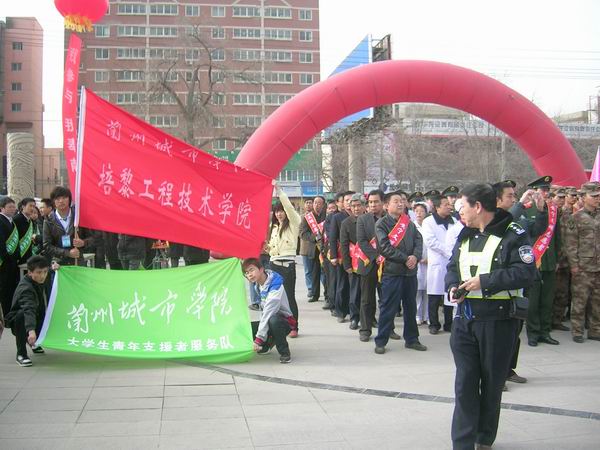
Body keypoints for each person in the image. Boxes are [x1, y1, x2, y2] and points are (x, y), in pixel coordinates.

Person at [445, 183, 536, 450]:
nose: (460, 211)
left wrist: (485, 281)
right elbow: (453, 266)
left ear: (478, 206)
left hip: (498, 322)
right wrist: (453, 285)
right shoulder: (465, 234)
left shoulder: (514, 233)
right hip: (464, 321)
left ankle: (484, 437)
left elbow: (526, 273)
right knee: (464, 384)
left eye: (463, 206)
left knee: (492, 384)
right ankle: (462, 443)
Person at [374, 191, 426, 354]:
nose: (400, 204)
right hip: (393, 272)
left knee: (410, 307)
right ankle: (381, 340)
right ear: (386, 205)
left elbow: (419, 240)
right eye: (396, 201)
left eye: (402, 201)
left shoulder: (408, 223)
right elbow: (384, 247)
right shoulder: (382, 224)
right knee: (388, 307)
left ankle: (412, 339)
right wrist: (405, 259)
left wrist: (415, 256)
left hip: (410, 273)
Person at [492, 180, 528, 387]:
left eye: (515, 196)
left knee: (514, 333)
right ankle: (497, 375)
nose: (514, 199)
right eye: (510, 196)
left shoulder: (516, 222)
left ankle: (508, 369)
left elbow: (534, 230)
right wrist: (520, 205)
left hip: (515, 288)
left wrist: (542, 213)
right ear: (497, 200)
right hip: (496, 292)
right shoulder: (490, 224)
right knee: (498, 339)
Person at [520, 176, 560, 347]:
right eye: (542, 190)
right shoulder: (526, 210)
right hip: (533, 261)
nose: (545, 193)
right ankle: (533, 333)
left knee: (547, 299)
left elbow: (557, 237)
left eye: (547, 190)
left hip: (549, 261)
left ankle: (545, 331)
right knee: (533, 301)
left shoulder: (553, 210)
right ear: (534, 191)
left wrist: (557, 258)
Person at [563, 182, 600, 343]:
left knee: (597, 301)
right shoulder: (575, 218)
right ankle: (577, 330)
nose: (597, 199)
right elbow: (570, 244)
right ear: (583, 197)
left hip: (598, 266)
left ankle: (595, 330)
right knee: (580, 300)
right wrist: (574, 265)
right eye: (594, 196)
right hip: (583, 266)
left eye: (598, 196)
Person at [243, 258, 295, 363]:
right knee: (247, 329)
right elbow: (264, 310)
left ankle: (284, 352)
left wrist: (259, 339)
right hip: (270, 318)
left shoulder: (276, 286)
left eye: (252, 270)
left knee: (273, 320)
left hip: (285, 322)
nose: (250, 275)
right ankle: (267, 344)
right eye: (247, 273)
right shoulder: (258, 285)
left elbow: (268, 313)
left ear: (261, 269)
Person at [4, 255, 50, 367]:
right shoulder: (26, 288)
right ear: (29, 272)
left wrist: (55, 266)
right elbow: (28, 309)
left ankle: (33, 342)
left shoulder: (40, 278)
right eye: (39, 272)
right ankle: (21, 354)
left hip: (37, 314)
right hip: (20, 321)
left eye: (45, 272)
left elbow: (51, 270)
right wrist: (31, 330)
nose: (42, 275)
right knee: (22, 315)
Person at [268, 184, 301, 337]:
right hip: (273, 265)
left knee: (289, 297)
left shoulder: (293, 224)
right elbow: (272, 248)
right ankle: (278, 327)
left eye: (281, 211)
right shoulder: (273, 227)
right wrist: (267, 248)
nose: (279, 214)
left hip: (287, 266)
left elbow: (289, 208)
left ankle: (294, 327)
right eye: (277, 211)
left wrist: (279, 191)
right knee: (274, 298)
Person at [422, 194, 457, 335]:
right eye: (445, 204)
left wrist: (452, 253)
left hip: (451, 262)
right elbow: (430, 242)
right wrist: (448, 251)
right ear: (437, 207)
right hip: (437, 262)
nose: (449, 206)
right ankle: (434, 323)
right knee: (434, 296)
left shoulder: (454, 221)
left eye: (449, 204)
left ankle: (449, 323)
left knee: (450, 294)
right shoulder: (428, 222)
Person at [356, 190, 385, 341]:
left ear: (383, 203)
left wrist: (385, 257)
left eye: (376, 202)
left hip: (387, 264)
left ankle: (388, 329)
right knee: (366, 299)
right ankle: (365, 329)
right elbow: (362, 242)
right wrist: (376, 256)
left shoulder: (390, 219)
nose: (373, 205)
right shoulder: (363, 219)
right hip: (368, 264)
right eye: (370, 202)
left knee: (386, 299)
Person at [43, 186, 92, 266]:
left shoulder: (78, 217)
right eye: (58, 198)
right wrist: (67, 253)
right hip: (59, 264)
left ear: (69, 199)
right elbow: (47, 246)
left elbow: (93, 238)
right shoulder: (48, 221)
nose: (61, 201)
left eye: (64, 197)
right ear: (53, 201)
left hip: (78, 262)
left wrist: (83, 242)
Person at [340, 193, 366, 330]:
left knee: (368, 293)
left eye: (359, 205)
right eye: (353, 206)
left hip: (368, 262)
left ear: (364, 206)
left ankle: (369, 317)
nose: (356, 208)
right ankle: (354, 318)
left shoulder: (371, 220)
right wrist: (347, 265)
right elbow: (344, 245)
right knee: (355, 292)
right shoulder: (346, 223)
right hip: (354, 263)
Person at [329, 191, 355, 322]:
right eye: (347, 200)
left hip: (358, 256)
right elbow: (332, 238)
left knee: (355, 285)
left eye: (352, 200)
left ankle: (353, 310)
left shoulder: (362, 216)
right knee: (342, 284)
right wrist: (333, 255)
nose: (350, 203)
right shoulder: (337, 217)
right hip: (342, 255)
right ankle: (340, 311)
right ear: (343, 203)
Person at [299, 196, 326, 303]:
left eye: (319, 203)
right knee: (314, 273)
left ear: (323, 205)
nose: (316, 205)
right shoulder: (307, 218)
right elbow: (302, 233)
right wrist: (314, 237)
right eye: (315, 203)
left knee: (326, 274)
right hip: (314, 249)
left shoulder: (327, 216)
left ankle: (328, 295)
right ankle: (315, 294)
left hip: (326, 249)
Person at [0, 196, 20, 319]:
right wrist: (7, 257)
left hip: (12, 261)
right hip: (4, 262)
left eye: (13, 207)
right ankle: (5, 315)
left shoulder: (11, 221)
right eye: (9, 207)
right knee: (5, 289)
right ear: (2, 208)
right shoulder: (1, 220)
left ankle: (9, 313)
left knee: (11, 288)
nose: (13, 209)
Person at [321, 199, 339, 311]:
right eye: (329, 208)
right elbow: (324, 238)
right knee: (328, 279)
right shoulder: (326, 220)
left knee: (334, 280)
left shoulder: (336, 219)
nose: (331, 210)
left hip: (335, 254)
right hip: (326, 253)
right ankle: (329, 299)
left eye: (333, 208)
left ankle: (333, 302)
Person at [413, 202, 429, 325]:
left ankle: (427, 316)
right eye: (417, 211)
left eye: (421, 211)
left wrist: (429, 258)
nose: (419, 213)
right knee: (417, 291)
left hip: (429, 262)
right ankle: (417, 315)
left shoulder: (429, 226)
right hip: (417, 262)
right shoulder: (411, 226)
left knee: (428, 291)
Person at [13, 197, 38, 264]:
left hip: (28, 256)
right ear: (23, 207)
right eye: (30, 206)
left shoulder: (30, 221)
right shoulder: (16, 219)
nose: (32, 208)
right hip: (19, 257)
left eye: (34, 206)